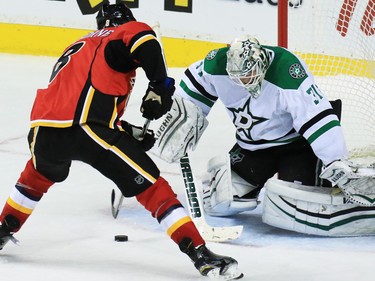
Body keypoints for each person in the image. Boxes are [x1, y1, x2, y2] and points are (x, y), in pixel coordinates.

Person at [0, 3, 243, 279]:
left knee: (36, 177)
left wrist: (128, 133)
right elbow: (145, 41)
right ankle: (201, 254)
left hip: (43, 131)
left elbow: (75, 102)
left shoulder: (79, 45)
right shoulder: (123, 32)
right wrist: (159, 86)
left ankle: (3, 229)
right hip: (86, 128)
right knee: (153, 188)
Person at [153, 35, 375, 236]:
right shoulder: (217, 64)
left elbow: (316, 116)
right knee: (220, 201)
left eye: (248, 76)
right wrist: (181, 120)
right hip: (252, 148)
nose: (243, 82)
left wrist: (334, 158)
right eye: (238, 78)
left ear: (261, 63)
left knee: (292, 209)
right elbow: (194, 88)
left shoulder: (286, 69)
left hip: (296, 148)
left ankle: (361, 212)